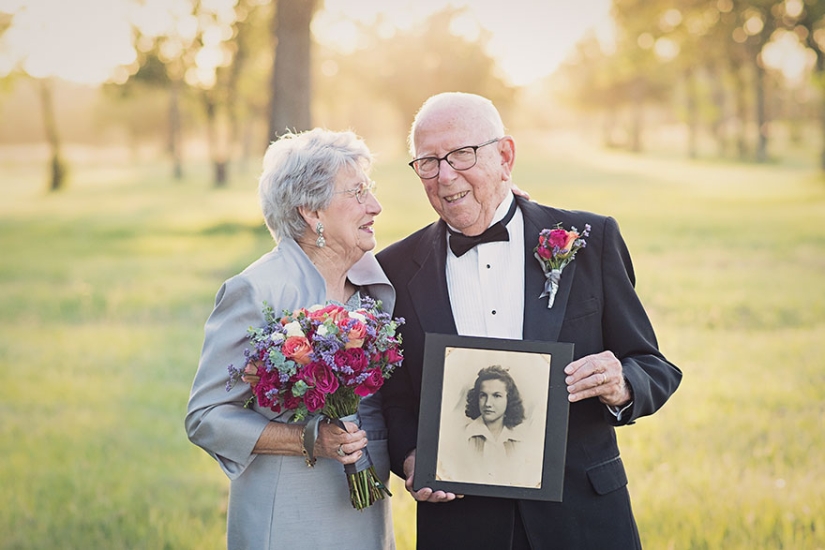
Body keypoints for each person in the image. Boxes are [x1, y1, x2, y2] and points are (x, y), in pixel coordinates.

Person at [376, 92, 682, 549]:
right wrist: (411, 456)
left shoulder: (589, 240)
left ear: (505, 156)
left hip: (583, 516)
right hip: (460, 524)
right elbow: (395, 401)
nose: (445, 175)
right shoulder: (394, 270)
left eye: (462, 154)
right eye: (427, 161)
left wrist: (621, 384)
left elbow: (653, 366)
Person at [185, 128, 396, 549]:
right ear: (311, 213)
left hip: (365, 507)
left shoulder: (376, 287)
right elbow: (205, 417)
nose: (375, 206)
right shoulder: (257, 290)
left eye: (369, 190)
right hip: (288, 512)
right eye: (356, 193)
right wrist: (306, 439)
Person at [437, 365, 538, 487]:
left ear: (508, 399)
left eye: (496, 396)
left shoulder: (519, 441)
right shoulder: (461, 437)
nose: (488, 403)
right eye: (483, 395)